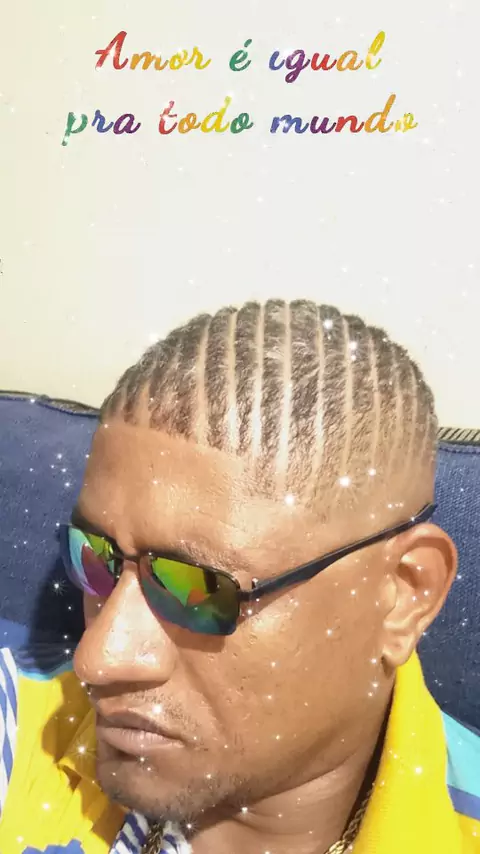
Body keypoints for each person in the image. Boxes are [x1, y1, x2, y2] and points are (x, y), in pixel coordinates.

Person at [1, 299, 479, 854]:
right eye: (94, 557)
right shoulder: (21, 726)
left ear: (403, 595)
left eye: (197, 588)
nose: (98, 658)